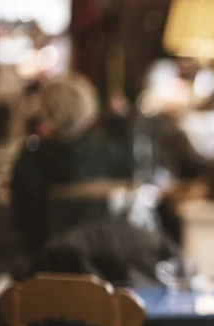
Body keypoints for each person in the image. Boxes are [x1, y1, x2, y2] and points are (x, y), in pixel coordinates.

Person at [10, 73, 135, 255]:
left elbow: (22, 219)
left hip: (49, 263)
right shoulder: (110, 153)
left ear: (45, 110)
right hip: (108, 259)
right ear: (90, 106)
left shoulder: (33, 158)